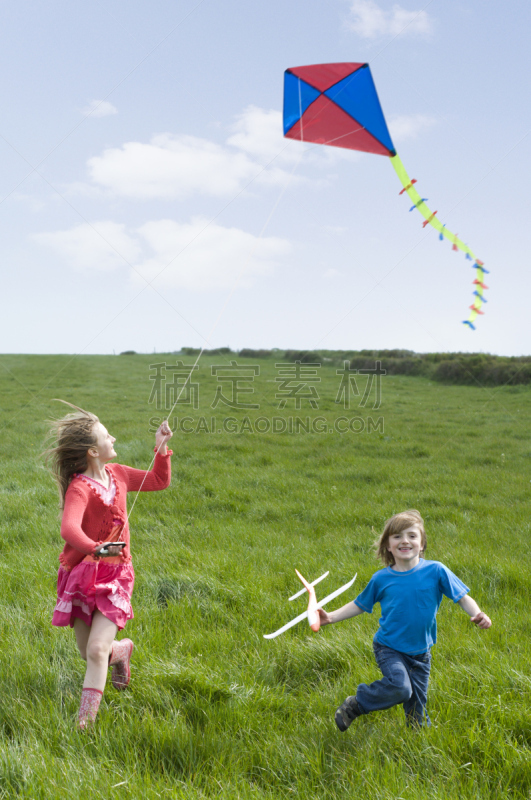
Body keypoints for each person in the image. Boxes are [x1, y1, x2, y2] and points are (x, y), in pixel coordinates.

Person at [45, 402, 173, 729]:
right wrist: (96, 549)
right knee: (89, 651)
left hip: (117, 574)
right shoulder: (80, 487)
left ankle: (84, 724)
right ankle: (123, 652)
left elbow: (159, 480)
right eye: (106, 436)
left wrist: (161, 447)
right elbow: (69, 529)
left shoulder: (119, 474)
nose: (113, 437)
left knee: (97, 649)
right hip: (81, 574)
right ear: (92, 451)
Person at [318, 509, 491, 730]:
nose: (405, 541)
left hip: (421, 652)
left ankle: (417, 746)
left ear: (422, 543)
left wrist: (477, 614)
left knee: (417, 716)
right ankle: (356, 704)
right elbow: (360, 604)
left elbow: (462, 598)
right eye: (397, 536)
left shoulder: (436, 571)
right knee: (401, 688)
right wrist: (330, 617)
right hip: (389, 647)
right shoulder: (381, 579)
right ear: (388, 546)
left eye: (412, 535)